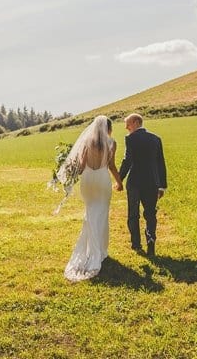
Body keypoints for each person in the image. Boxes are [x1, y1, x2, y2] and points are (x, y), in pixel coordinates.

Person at [60, 116, 123, 282]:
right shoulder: (112, 143)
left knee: (90, 212)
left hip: (87, 180)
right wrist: (119, 182)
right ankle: (100, 251)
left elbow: (80, 168)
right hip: (102, 180)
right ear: (108, 128)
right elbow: (111, 166)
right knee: (101, 215)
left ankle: (91, 250)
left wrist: (71, 170)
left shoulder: (86, 142)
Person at [119, 113, 167, 256]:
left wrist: (119, 179)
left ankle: (136, 244)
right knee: (150, 214)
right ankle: (151, 240)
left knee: (133, 214)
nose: (126, 127)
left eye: (127, 124)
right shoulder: (156, 139)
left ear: (135, 122)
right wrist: (162, 185)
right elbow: (161, 163)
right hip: (152, 183)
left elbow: (127, 161)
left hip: (134, 183)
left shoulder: (130, 139)